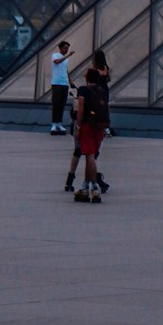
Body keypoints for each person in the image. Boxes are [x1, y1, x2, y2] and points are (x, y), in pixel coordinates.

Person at [70, 66, 110, 203]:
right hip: (100, 126)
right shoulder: (102, 91)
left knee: (89, 155)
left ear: (87, 78)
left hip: (87, 125)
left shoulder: (83, 90)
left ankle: (95, 187)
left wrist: (78, 126)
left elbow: (80, 108)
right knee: (91, 155)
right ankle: (85, 186)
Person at [49, 39, 73, 134]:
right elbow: (57, 62)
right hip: (56, 83)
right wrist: (68, 56)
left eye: (67, 48)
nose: (66, 50)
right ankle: (54, 123)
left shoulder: (66, 58)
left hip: (65, 83)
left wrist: (70, 81)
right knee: (56, 104)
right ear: (60, 48)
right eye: (65, 48)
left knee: (62, 104)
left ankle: (59, 123)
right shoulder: (55, 55)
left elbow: (66, 70)